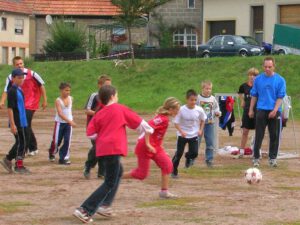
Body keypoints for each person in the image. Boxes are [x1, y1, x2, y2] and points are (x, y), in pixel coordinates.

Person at [73, 85, 153, 223]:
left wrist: (103, 137)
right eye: (117, 94)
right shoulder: (119, 108)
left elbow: (90, 133)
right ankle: (85, 209)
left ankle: (104, 206)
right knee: (109, 182)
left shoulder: (99, 113)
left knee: (118, 172)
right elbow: (141, 124)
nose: (118, 97)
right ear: (112, 96)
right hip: (114, 149)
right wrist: (149, 131)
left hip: (102, 150)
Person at [122, 97, 181, 197]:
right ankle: (116, 176)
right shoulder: (162, 119)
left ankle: (164, 192)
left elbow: (158, 136)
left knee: (167, 165)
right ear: (171, 109)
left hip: (155, 147)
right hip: (145, 146)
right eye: (177, 109)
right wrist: (148, 144)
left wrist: (161, 148)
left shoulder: (165, 119)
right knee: (141, 174)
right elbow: (147, 128)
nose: (178, 111)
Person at [0, 56, 47, 156]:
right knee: (23, 126)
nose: (20, 66)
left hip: (31, 102)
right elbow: (6, 90)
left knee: (26, 125)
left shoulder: (32, 73)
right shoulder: (11, 77)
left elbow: (41, 85)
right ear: (14, 66)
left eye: (21, 63)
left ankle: (30, 147)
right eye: (17, 64)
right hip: (20, 105)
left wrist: (45, 100)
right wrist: (2, 101)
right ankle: (25, 147)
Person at [249, 56, 286, 167]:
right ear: (263, 66)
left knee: (274, 135)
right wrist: (251, 109)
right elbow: (254, 95)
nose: (267, 69)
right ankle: (256, 158)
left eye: (270, 67)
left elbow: (280, 97)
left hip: (275, 110)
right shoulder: (258, 80)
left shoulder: (280, 80)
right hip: (261, 110)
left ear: (274, 66)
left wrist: (275, 110)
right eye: (265, 67)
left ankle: (272, 158)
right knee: (259, 135)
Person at [0, 69, 30, 174]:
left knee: (23, 142)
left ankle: (8, 159)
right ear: (13, 78)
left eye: (22, 77)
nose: (21, 79)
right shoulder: (12, 90)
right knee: (22, 143)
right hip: (17, 121)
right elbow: (10, 108)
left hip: (23, 120)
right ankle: (19, 165)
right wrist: (12, 124)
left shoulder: (19, 89)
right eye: (19, 77)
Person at [171, 90, 206, 178]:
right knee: (178, 154)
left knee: (194, 153)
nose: (193, 102)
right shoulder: (181, 110)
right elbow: (176, 122)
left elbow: (203, 120)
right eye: (191, 100)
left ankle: (188, 157)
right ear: (187, 99)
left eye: (195, 100)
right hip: (182, 135)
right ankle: (174, 171)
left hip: (194, 135)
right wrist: (181, 131)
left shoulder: (199, 109)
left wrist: (200, 130)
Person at [83, 75, 111, 179]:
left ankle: (101, 172)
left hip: (105, 127)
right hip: (93, 127)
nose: (109, 88)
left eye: (110, 86)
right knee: (98, 147)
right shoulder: (94, 95)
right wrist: (98, 114)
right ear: (99, 85)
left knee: (103, 147)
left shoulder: (110, 98)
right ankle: (88, 166)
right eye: (106, 86)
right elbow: (87, 110)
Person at [48, 83, 75, 165]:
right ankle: (52, 152)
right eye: (66, 90)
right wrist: (70, 121)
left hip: (68, 125)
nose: (68, 92)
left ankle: (63, 158)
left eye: (69, 90)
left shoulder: (71, 99)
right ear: (61, 90)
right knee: (56, 141)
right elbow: (60, 113)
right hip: (59, 124)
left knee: (67, 140)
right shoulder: (58, 101)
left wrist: (70, 121)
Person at [196, 80, 221, 167]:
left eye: (210, 89)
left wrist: (218, 113)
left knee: (210, 142)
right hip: (199, 124)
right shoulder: (198, 98)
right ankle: (192, 158)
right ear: (202, 88)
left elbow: (217, 108)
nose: (208, 90)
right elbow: (193, 108)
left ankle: (209, 159)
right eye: (207, 89)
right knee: (196, 141)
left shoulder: (213, 98)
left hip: (210, 123)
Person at [238, 68, 259, 155]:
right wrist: (242, 100)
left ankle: (257, 150)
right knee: (245, 131)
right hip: (247, 110)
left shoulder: (259, 86)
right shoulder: (243, 86)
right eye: (250, 75)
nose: (252, 77)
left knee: (258, 131)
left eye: (254, 75)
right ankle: (242, 151)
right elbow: (240, 93)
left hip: (258, 110)